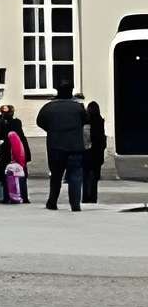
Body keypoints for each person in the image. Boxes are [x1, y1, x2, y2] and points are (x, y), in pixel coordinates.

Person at [36, 78, 89, 212]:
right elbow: (86, 121)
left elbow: (40, 122)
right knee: (75, 177)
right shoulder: (78, 107)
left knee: (56, 176)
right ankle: (75, 205)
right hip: (75, 147)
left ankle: (52, 202)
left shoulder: (48, 107)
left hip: (55, 146)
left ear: (57, 91)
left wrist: (52, 130)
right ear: (71, 91)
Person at [85, 101, 109, 205]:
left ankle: (85, 198)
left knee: (85, 177)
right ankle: (93, 198)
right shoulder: (100, 121)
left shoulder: (85, 121)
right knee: (94, 177)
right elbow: (102, 139)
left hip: (87, 152)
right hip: (97, 153)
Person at [4, 119, 29, 205]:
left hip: (18, 166)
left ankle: (16, 197)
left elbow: (17, 153)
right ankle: (21, 197)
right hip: (20, 165)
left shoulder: (14, 142)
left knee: (15, 183)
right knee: (19, 182)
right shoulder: (20, 140)